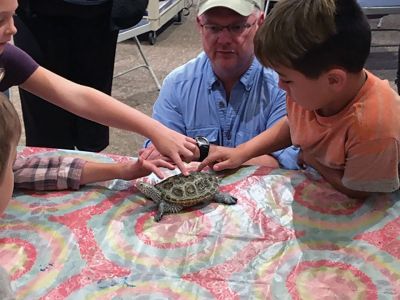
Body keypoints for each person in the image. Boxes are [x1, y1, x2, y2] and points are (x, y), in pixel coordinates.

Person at [198, 0, 400, 199]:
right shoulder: (313, 91)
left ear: (334, 80)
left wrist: (313, 159)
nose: (280, 86)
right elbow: (293, 123)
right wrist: (242, 152)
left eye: (286, 79)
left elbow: (359, 190)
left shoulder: (375, 126)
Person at [0, 0, 197, 176]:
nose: (13, 29)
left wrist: (154, 131)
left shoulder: (8, 59)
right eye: (1, 19)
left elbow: (78, 96)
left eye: (13, 16)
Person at [141, 0, 299, 170]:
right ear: (199, 25)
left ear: (260, 23)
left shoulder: (285, 86)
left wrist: (204, 154)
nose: (224, 40)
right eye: (213, 28)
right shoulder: (177, 85)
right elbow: (160, 157)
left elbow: (287, 165)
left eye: (237, 27)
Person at [13, 0, 147, 152]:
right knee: (41, 103)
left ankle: (90, 162)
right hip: (34, 13)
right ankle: (50, 165)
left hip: (97, 12)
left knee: (92, 117)